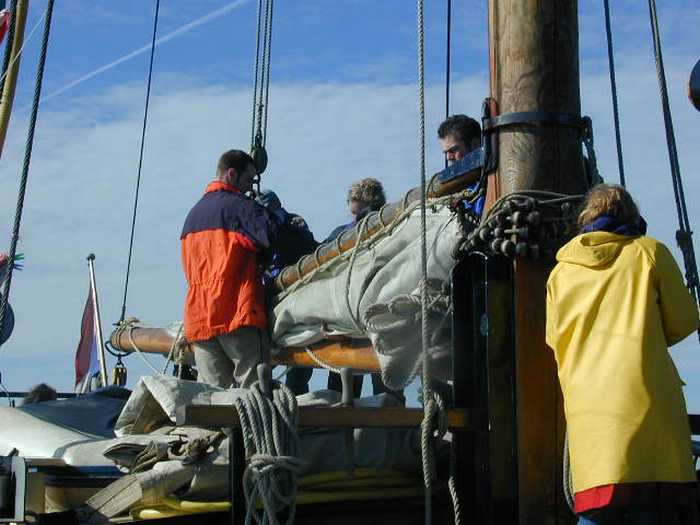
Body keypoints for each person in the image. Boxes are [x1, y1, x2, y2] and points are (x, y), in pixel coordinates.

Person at [545, 184, 700, 525]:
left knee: (599, 511)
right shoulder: (649, 252)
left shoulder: (560, 273)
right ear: (631, 215)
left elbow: (556, 341)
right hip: (650, 424)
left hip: (591, 429)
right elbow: (685, 322)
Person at [181, 150, 278, 389]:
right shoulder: (240, 208)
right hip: (236, 313)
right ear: (232, 174)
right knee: (255, 395)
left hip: (200, 319)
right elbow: (272, 237)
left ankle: (220, 428)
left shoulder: (192, 217)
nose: (249, 188)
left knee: (213, 400)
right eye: (248, 180)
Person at [257, 189, 319, 396]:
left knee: (300, 361)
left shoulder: (292, 223)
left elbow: (306, 248)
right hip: (269, 295)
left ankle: (296, 401)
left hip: (296, 295)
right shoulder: (260, 224)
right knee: (262, 359)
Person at [323, 177, 387, 243]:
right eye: (353, 213)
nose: (356, 218)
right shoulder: (339, 233)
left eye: (362, 214)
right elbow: (318, 249)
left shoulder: (388, 222)